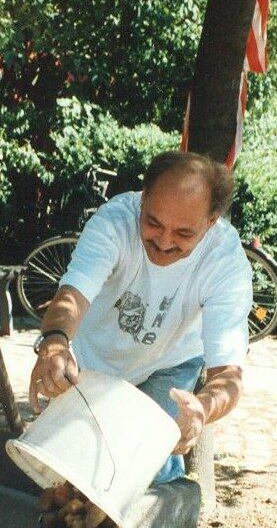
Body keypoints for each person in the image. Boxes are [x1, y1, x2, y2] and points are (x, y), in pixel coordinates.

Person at [28, 150, 253, 484]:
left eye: (184, 234)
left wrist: (202, 408)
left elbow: (228, 376)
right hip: (96, 356)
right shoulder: (114, 221)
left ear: (210, 222)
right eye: (153, 222)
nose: (163, 242)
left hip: (171, 363)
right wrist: (54, 344)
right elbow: (71, 296)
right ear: (143, 199)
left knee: (148, 464)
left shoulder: (226, 262)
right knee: (73, 459)